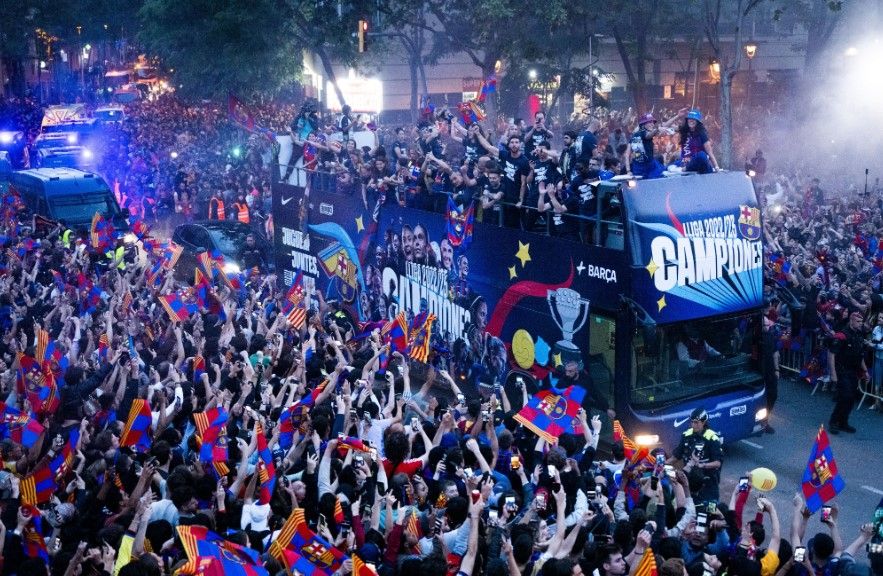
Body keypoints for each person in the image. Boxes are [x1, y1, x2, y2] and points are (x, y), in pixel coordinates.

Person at [827, 310, 867, 433]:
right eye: (858, 321)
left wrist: (865, 371)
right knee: (845, 397)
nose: (861, 324)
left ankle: (843, 422)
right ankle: (834, 422)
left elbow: (859, 355)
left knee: (851, 398)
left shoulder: (859, 335)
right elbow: (831, 354)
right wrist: (833, 374)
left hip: (853, 371)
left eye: (862, 321)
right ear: (851, 321)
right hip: (842, 370)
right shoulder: (841, 335)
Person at [673, 408, 723, 502]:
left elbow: (718, 463)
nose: (693, 425)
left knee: (711, 509)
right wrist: (660, 464)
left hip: (708, 483)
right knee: (688, 506)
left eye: (696, 422)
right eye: (692, 422)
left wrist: (702, 465)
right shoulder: (686, 435)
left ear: (704, 422)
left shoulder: (712, 438)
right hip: (690, 481)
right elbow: (676, 456)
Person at [678, 109, 719, 174]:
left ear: (697, 122)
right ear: (687, 120)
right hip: (686, 163)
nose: (691, 121)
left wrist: (716, 167)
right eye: (689, 119)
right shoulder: (683, 132)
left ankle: (687, 168)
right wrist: (678, 116)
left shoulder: (702, 134)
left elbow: (710, 153)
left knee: (701, 155)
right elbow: (664, 126)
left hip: (700, 163)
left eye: (693, 119)